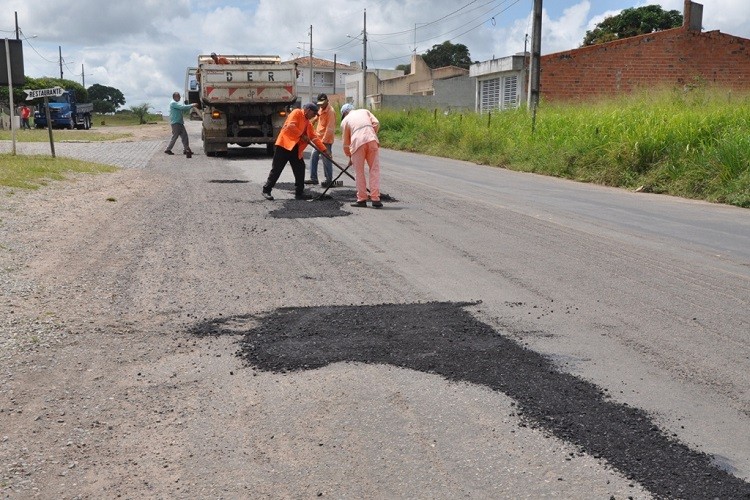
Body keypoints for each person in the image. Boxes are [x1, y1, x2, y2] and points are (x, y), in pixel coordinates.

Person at [262, 103, 331, 200]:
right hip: (284, 145)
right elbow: (291, 126)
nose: (315, 115)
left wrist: (324, 150)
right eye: (314, 113)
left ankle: (299, 193)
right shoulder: (297, 112)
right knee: (277, 169)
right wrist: (302, 135)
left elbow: (314, 138)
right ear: (307, 110)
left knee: (300, 168)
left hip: (295, 148)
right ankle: (266, 190)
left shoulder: (308, 123)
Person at [340, 103, 382, 208]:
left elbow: (346, 142)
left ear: (345, 113)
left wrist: (349, 156)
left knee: (359, 172)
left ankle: (362, 199)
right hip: (372, 140)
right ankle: (375, 199)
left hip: (357, 143)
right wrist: (370, 133)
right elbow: (376, 123)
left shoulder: (345, 120)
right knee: (374, 170)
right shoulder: (365, 111)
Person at [306, 93, 336, 187]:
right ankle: (314, 178)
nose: (321, 105)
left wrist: (323, 143)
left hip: (326, 140)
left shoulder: (330, 111)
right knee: (313, 156)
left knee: (326, 159)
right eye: (320, 103)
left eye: (323, 102)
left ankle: (328, 180)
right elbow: (316, 117)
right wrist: (310, 124)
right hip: (318, 138)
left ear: (327, 100)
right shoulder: (321, 109)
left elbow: (330, 128)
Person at [165, 92, 198, 156]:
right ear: (174, 97)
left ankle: (186, 149)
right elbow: (182, 107)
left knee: (184, 136)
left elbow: (183, 108)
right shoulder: (173, 103)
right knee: (175, 136)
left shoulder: (175, 103)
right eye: (178, 96)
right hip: (176, 123)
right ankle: (168, 149)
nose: (180, 97)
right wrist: (192, 105)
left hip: (179, 122)